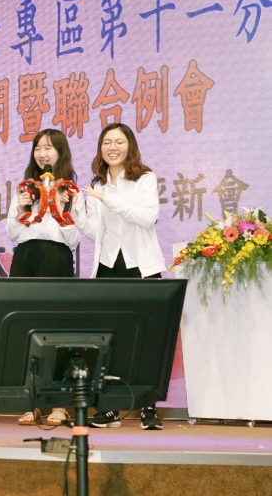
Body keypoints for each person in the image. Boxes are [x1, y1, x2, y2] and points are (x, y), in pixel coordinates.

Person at [74, 122, 166, 431]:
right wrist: (75, 214)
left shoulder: (144, 178)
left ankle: (148, 407)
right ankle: (111, 406)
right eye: (106, 142)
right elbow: (94, 231)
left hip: (141, 266)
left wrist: (108, 199)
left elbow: (147, 217)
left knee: (148, 338)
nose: (112, 147)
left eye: (119, 142)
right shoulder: (97, 185)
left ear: (130, 146)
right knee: (110, 339)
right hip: (108, 266)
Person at [6, 128, 84, 427]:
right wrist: (22, 207)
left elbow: (74, 239)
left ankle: (61, 404)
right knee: (27, 329)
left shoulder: (71, 191)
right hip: (25, 258)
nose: (42, 153)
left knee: (58, 330)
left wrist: (63, 210)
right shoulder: (26, 188)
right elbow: (12, 233)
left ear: (60, 152)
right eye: (38, 147)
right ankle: (33, 402)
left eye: (49, 147)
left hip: (56, 258)